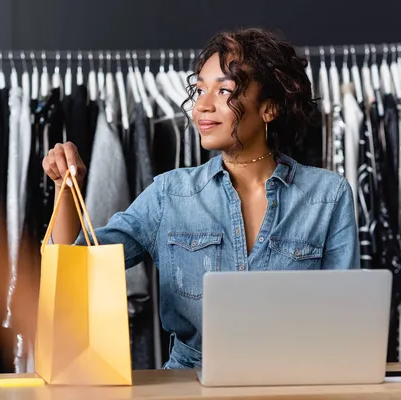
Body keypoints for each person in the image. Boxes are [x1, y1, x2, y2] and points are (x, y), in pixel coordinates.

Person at [42, 28, 360, 370]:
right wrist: (65, 186)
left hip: (294, 382)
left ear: (269, 108)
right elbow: (75, 266)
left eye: (224, 90)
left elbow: (347, 323)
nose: (202, 106)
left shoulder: (328, 196)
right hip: (188, 385)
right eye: (199, 90)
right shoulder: (170, 194)